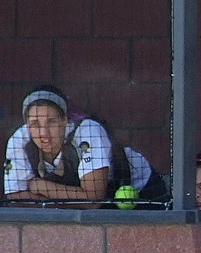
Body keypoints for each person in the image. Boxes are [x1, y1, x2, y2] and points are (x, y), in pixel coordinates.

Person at [3, 85, 166, 207]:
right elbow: (16, 198)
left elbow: (92, 200)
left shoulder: (88, 131)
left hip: (143, 193)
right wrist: (61, 205)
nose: (43, 132)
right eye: (34, 124)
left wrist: (40, 186)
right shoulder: (19, 140)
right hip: (91, 205)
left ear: (65, 120)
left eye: (51, 122)